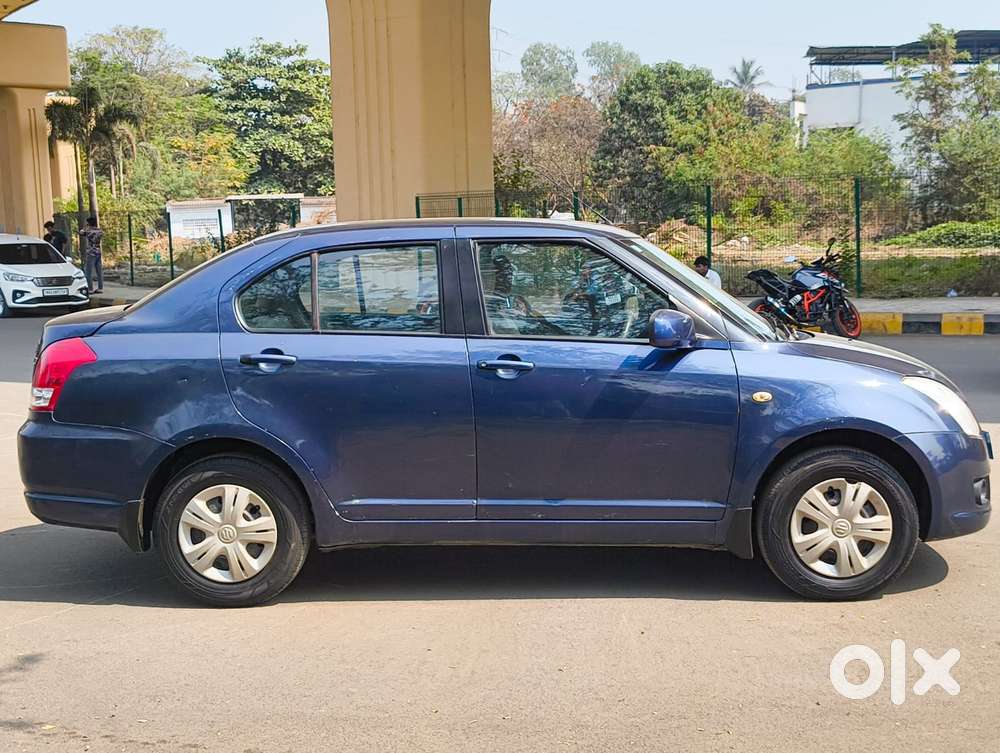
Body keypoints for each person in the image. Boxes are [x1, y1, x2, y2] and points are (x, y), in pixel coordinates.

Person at [79, 216, 104, 293]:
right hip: (98, 251)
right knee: (99, 270)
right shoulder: (100, 231)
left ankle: (90, 288)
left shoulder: (88, 231)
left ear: (88, 223)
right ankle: (100, 287)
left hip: (91, 252)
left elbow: (81, 232)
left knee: (88, 271)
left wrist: (85, 227)